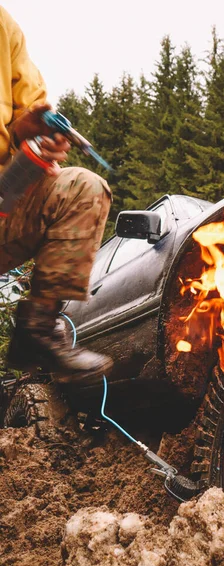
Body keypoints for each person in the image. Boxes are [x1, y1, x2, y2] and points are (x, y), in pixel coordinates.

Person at [0, 5, 112, 383]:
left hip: (4, 203)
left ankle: (38, 331)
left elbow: (28, 107)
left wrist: (29, 131)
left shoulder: (3, 25)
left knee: (83, 187)